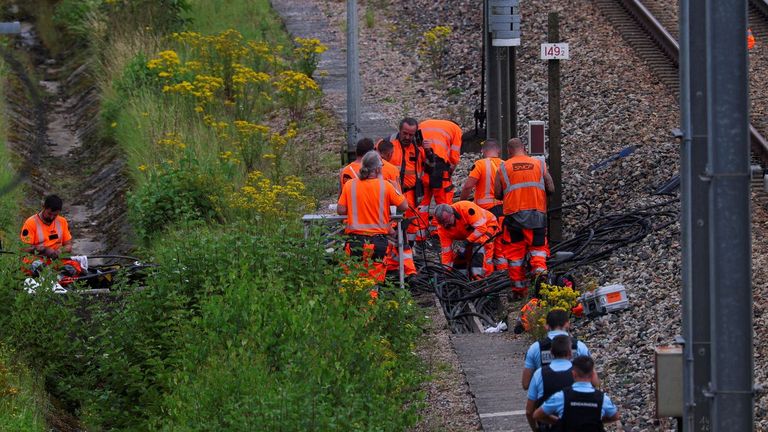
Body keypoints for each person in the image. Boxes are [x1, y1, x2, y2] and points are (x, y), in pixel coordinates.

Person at [494, 137, 555, 297]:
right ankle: (542, 285)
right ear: (524, 149)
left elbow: (497, 194)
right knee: (538, 252)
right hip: (537, 215)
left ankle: (519, 291)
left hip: (514, 218)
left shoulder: (503, 167)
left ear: (509, 151)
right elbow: (551, 188)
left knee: (515, 256)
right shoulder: (539, 164)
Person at [337, 152, 409, 282]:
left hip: (355, 242)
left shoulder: (350, 185)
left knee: (351, 283)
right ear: (377, 169)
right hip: (378, 244)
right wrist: (396, 187)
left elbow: (341, 210)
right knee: (372, 285)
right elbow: (404, 206)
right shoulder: (386, 186)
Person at [533, 356, 620, 431]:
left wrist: (559, 422)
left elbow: (537, 415)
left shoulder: (561, 396)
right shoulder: (603, 399)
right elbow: (615, 416)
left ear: (573, 374)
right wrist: (597, 421)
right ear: (593, 374)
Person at [460, 139, 506, 271]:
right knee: (501, 246)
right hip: (504, 211)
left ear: (483, 151)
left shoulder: (480, 164)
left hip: (486, 214)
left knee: (486, 247)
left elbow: (468, 186)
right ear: (499, 151)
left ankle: (486, 279)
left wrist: (463, 202)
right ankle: (502, 276)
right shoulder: (505, 164)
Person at [522, 309, 591, 390]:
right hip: (573, 399)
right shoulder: (580, 346)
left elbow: (526, 384)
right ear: (567, 324)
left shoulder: (535, 348)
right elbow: (591, 379)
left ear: (546, 326)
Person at [433, 201, 499, 279]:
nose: (445, 225)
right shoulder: (442, 229)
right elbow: (447, 252)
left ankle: (484, 277)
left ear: (453, 214)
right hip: (472, 235)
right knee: (461, 252)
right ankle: (463, 277)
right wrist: (446, 271)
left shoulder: (466, 208)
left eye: (447, 222)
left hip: (488, 226)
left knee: (479, 246)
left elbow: (481, 228)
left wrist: (467, 241)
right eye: (442, 223)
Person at [388, 118, 426, 243]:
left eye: (411, 134)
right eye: (405, 133)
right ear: (399, 130)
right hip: (391, 193)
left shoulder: (418, 148)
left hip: (410, 194)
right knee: (391, 224)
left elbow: (430, 168)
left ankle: (409, 253)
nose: (407, 137)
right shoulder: (388, 144)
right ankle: (391, 255)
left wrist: (429, 151)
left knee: (411, 227)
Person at [526, 335, 575, 432]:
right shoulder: (579, 372)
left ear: (551, 353)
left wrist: (535, 429)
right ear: (570, 353)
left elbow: (529, 411)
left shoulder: (539, 374)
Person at [20, 194, 72, 259]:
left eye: (55, 215)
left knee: (73, 267)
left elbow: (69, 246)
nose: (51, 217)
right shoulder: (30, 223)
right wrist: (43, 250)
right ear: (43, 207)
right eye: (49, 214)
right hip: (37, 259)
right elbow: (24, 249)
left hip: (57, 260)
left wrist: (60, 251)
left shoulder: (62, 221)